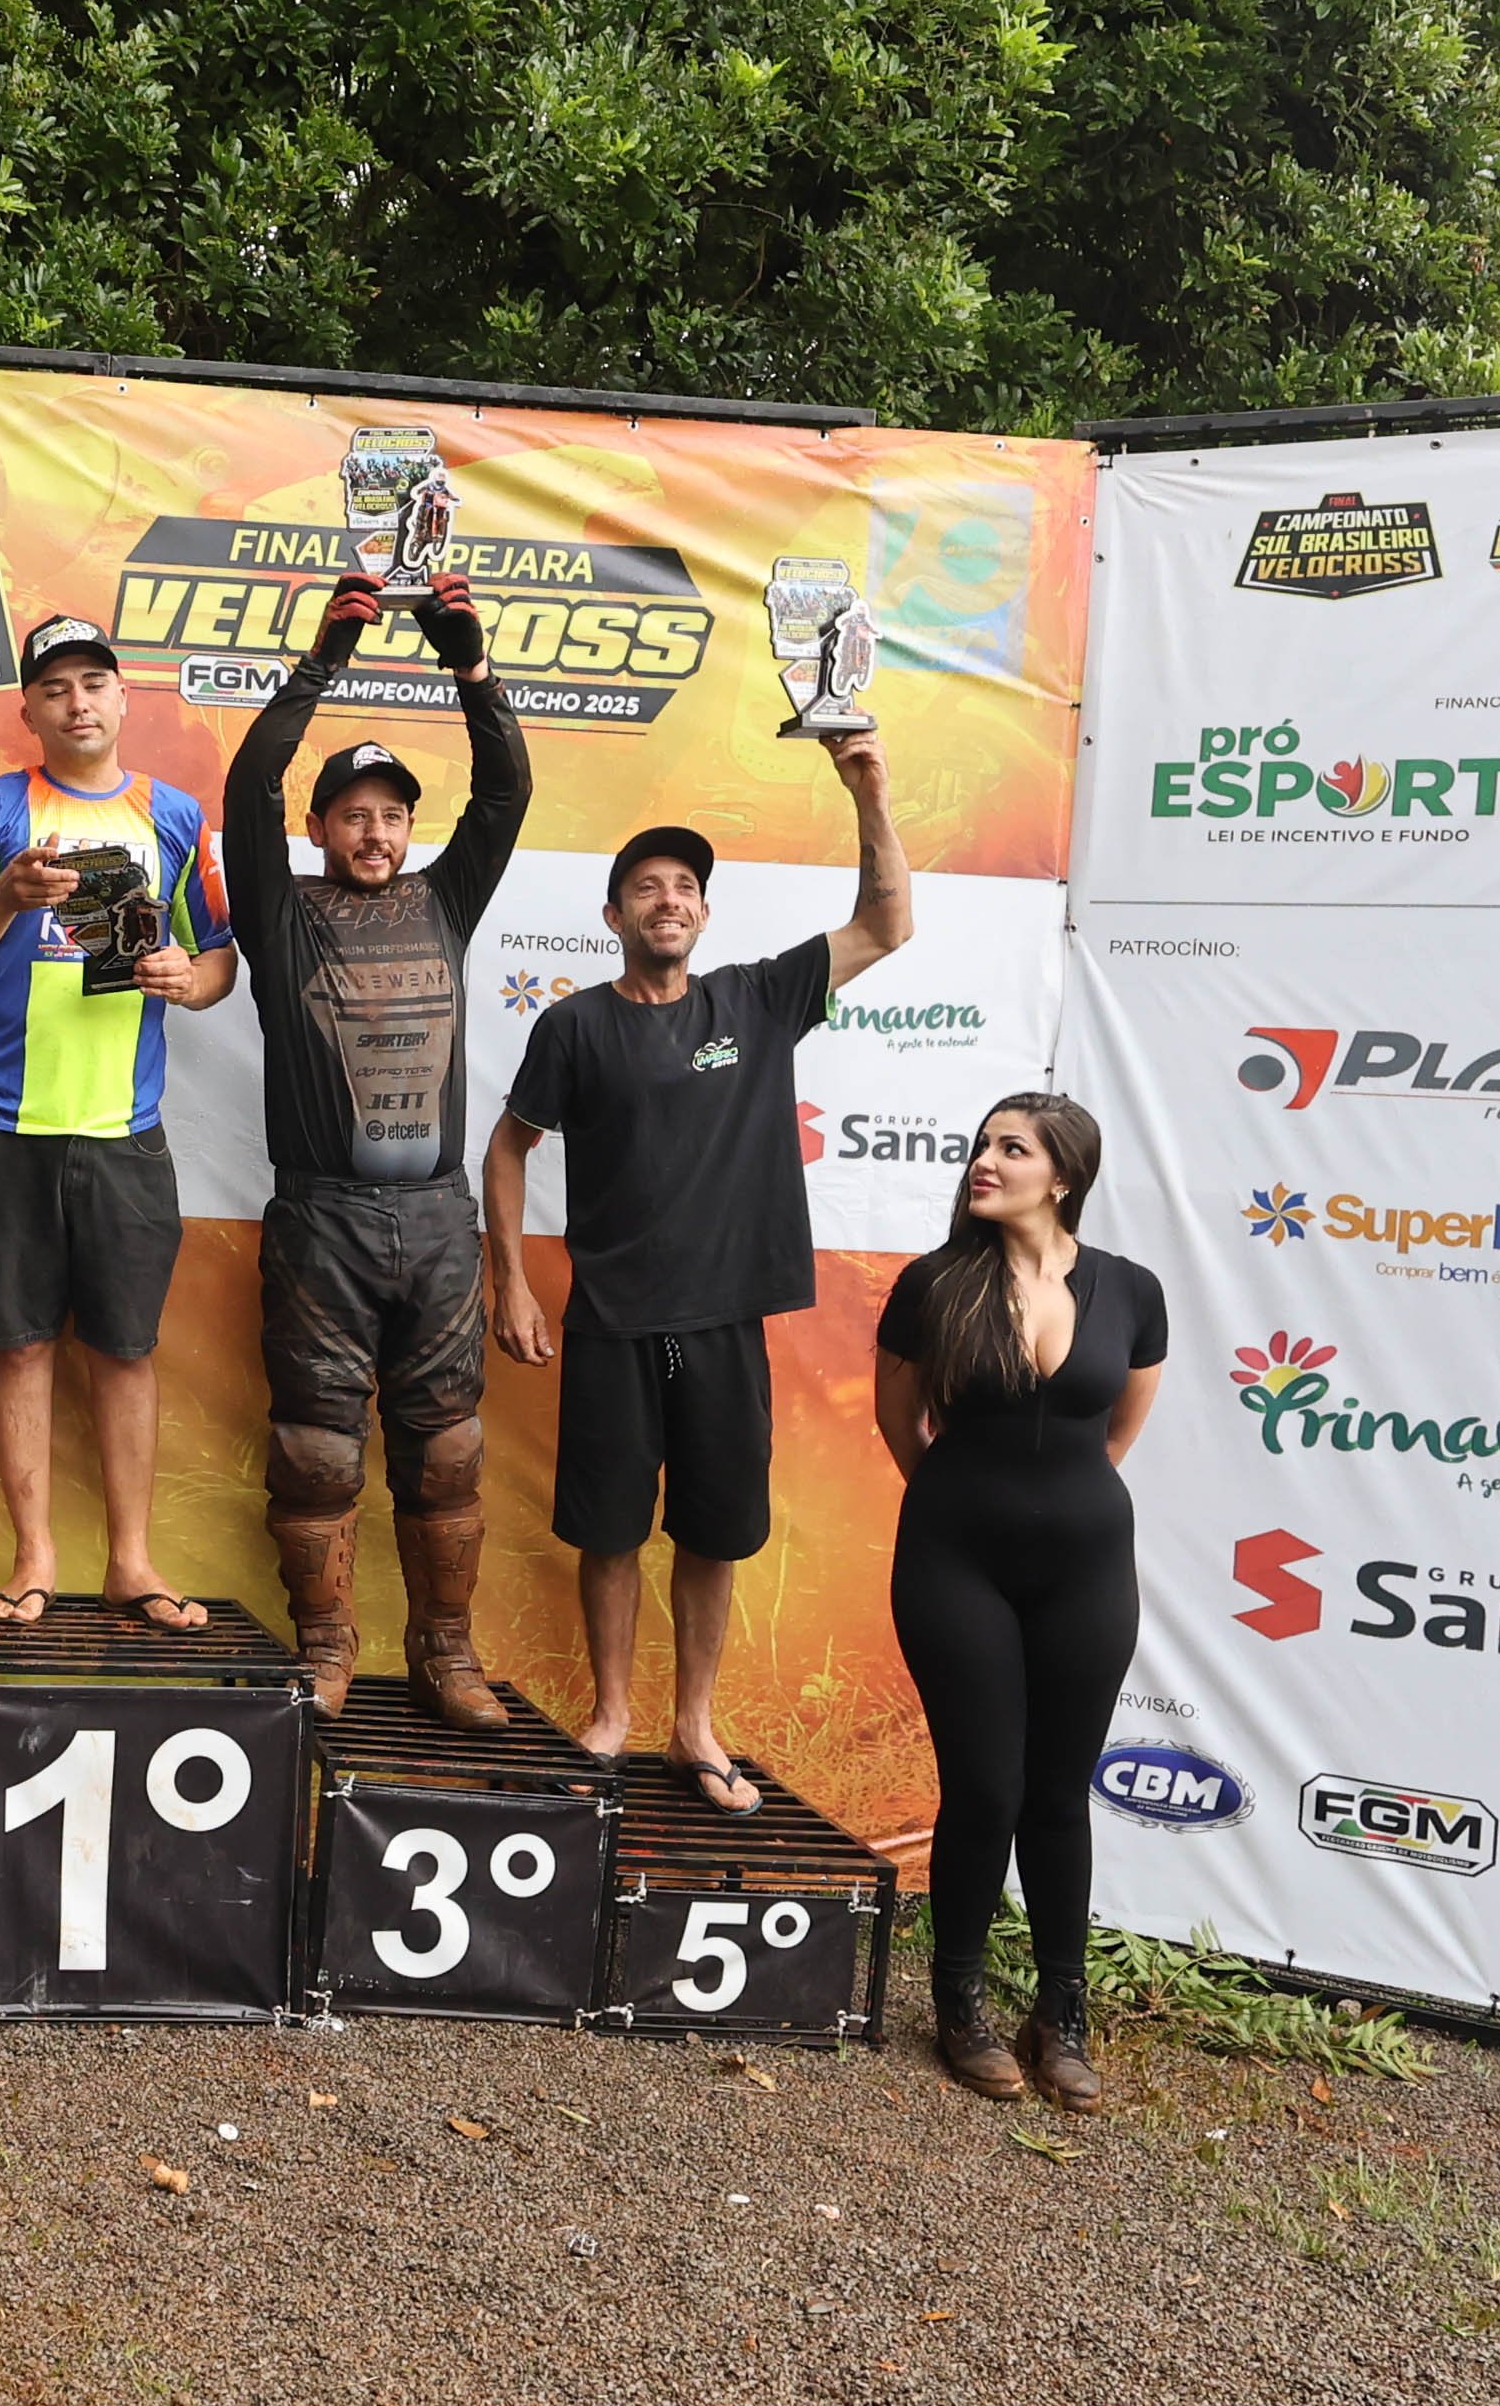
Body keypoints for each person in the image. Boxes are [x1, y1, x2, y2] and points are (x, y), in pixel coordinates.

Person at [483, 740, 916, 1812]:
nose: (667, 900)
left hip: (723, 1325)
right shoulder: (574, 1026)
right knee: (610, 1532)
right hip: (613, 1324)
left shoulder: (756, 1000)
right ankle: (611, 1720)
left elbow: (886, 925)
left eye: (684, 887)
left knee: (714, 1533)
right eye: (646, 887)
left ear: (706, 915)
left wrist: (869, 790)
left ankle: (694, 1729)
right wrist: (511, 1283)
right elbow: (507, 1146)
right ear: (614, 915)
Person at [224, 570, 528, 1728]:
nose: (375, 830)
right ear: (319, 829)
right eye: (352, 813)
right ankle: (326, 1646)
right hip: (324, 1223)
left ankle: (446, 1653)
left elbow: (506, 789)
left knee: (447, 1452)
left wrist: (471, 665)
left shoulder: (447, 899)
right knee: (315, 1453)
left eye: (392, 813)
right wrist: (325, 658)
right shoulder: (281, 912)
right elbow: (249, 783)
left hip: (441, 1222)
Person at [0, 611, 236, 1630]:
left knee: (125, 1349)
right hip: (3, 1122)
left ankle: (131, 1562)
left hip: (124, 1127)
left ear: (122, 696)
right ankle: (35, 1557)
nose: (77, 701)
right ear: (29, 710)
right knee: (17, 1346)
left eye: (94, 682)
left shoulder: (176, 814)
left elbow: (221, 956)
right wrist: (5, 902)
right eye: (55, 687)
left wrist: (190, 979)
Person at [872, 1096, 1164, 2111]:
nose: (983, 1163)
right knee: (986, 1789)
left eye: (1011, 1149)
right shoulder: (934, 1284)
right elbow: (899, 1420)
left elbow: (1116, 1432)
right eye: (981, 1147)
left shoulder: (1132, 1290)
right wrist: (965, 1508)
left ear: (1064, 1176)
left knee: (1056, 1794)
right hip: (955, 1563)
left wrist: (1053, 1507)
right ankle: (958, 2003)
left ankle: (1060, 2015)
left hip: (1089, 1568)